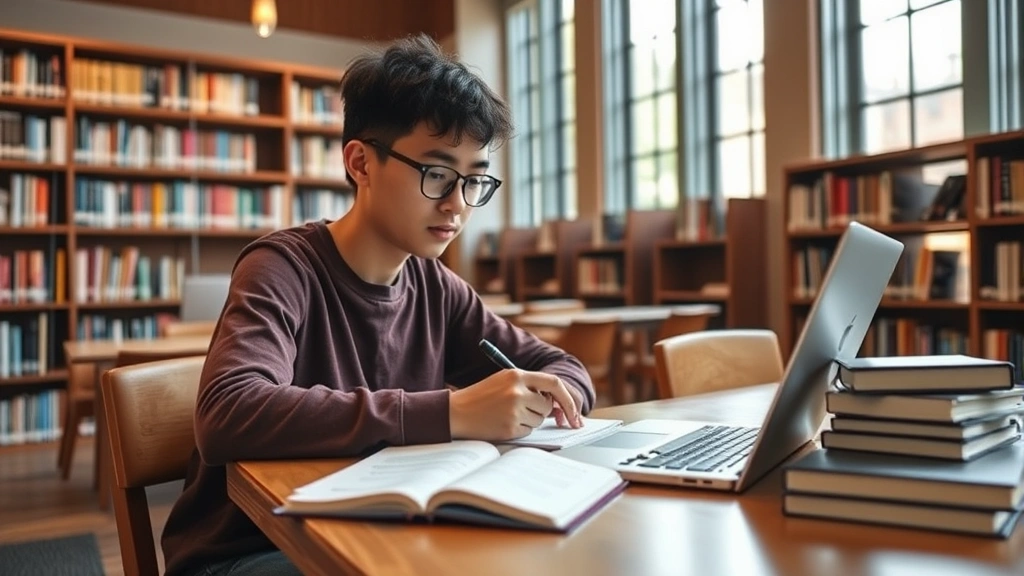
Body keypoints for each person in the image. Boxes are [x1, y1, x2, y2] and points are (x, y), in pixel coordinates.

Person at [161, 33, 596, 576]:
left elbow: (564, 368)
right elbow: (229, 412)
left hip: (375, 534)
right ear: (361, 164)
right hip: (249, 549)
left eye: (475, 179)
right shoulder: (282, 267)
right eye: (437, 174)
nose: (458, 204)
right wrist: (451, 410)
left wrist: (556, 396)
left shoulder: (437, 287)